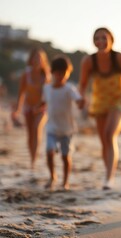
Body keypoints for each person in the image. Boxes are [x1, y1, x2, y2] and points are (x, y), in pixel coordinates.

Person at [78, 27, 121, 190]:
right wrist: (81, 99)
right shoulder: (88, 61)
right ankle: (108, 172)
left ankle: (109, 178)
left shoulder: (120, 58)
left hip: (119, 101)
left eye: (104, 38)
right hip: (99, 102)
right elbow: (83, 84)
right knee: (104, 141)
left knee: (109, 134)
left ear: (111, 40)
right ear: (93, 42)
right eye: (97, 38)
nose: (101, 41)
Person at [41, 55, 84, 190]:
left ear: (68, 73)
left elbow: (78, 100)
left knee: (65, 156)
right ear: (52, 73)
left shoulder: (69, 88)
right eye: (58, 73)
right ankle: (52, 176)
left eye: (64, 73)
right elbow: (43, 102)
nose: (60, 76)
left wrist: (81, 103)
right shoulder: (47, 88)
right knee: (49, 151)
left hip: (67, 129)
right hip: (51, 128)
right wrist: (36, 109)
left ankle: (65, 181)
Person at [12, 48, 51, 169]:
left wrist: (41, 107)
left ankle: (35, 157)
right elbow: (21, 93)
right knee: (30, 135)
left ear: (43, 60)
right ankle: (32, 159)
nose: (37, 60)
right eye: (35, 57)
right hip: (28, 107)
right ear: (31, 60)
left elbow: (49, 95)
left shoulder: (46, 75)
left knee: (37, 128)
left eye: (39, 58)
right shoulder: (26, 74)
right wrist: (17, 110)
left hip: (41, 108)